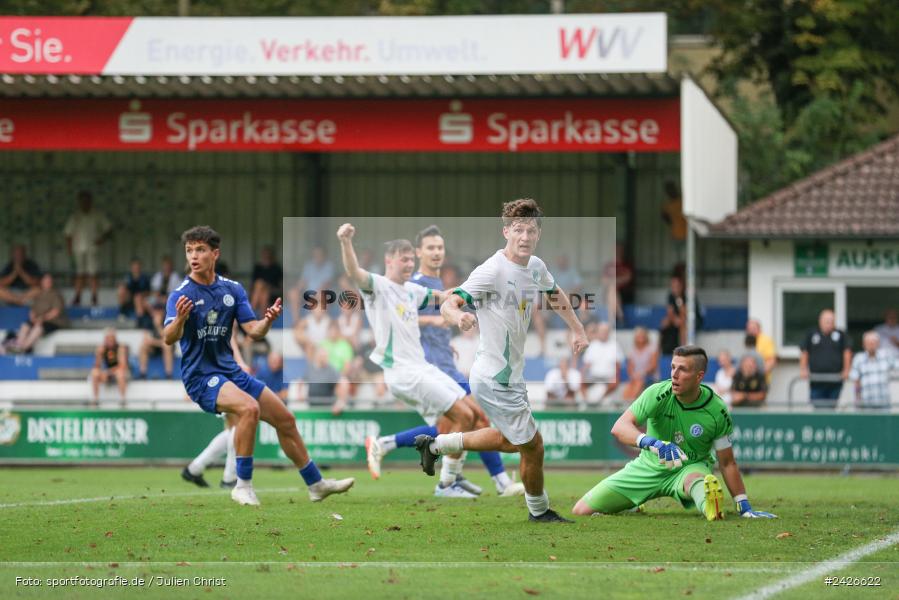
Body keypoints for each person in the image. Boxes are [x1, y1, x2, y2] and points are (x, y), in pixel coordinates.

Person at [164, 225, 353, 506]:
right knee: (248, 408)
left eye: (200, 249)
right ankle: (242, 485)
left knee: (286, 420)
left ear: (215, 254)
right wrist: (180, 319)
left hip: (231, 372)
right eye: (189, 250)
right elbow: (168, 337)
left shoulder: (232, 289)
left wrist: (267, 320)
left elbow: (253, 330)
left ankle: (316, 484)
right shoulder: (181, 294)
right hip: (201, 377)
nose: (193, 256)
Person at [427, 198, 590, 523]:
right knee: (533, 446)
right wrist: (459, 317)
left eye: (530, 230)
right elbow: (449, 303)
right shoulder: (493, 270)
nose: (524, 236)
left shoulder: (535, 266)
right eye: (518, 230)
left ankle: (437, 445)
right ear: (506, 232)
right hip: (494, 377)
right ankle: (539, 511)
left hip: (510, 375)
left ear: (538, 234)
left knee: (510, 441)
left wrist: (577, 328)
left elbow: (554, 293)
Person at [364, 225, 523, 497]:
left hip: (443, 361)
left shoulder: (435, 283)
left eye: (439, 247)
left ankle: (401, 451)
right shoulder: (413, 282)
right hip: (428, 365)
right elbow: (402, 318)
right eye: (430, 248)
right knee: (473, 417)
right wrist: (437, 321)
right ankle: (494, 482)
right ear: (418, 252)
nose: (436, 252)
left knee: (454, 424)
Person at [337, 222, 483, 499]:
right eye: (403, 259)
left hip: (422, 368)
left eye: (410, 260)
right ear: (389, 261)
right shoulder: (378, 286)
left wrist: (479, 289)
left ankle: (429, 463)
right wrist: (346, 242)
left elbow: (444, 296)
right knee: (464, 416)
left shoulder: (411, 291)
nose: (408, 264)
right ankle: (447, 484)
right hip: (403, 373)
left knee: (468, 417)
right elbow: (353, 271)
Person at [571, 346, 777, 521]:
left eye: (683, 369)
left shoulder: (718, 410)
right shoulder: (657, 393)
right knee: (581, 510)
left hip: (689, 467)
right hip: (648, 467)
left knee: (698, 481)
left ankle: (710, 506)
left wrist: (743, 505)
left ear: (699, 376)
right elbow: (620, 427)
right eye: (672, 367)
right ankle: (632, 502)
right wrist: (654, 443)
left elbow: (728, 462)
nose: (674, 375)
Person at [181, 329, 251, 490]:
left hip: (217, 369)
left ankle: (195, 469)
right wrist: (239, 361)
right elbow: (227, 335)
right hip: (218, 371)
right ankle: (229, 477)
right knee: (239, 423)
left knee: (234, 426)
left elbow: (227, 334)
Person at [64, 190, 112, 306]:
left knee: (93, 273)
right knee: (79, 274)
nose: (84, 203)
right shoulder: (75, 216)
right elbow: (68, 234)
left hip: (92, 249)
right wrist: (69, 249)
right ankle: (77, 297)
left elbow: (109, 229)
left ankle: (94, 297)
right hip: (78, 249)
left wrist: (101, 240)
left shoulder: (97, 214)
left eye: (87, 200)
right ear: (79, 202)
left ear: (90, 201)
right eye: (82, 201)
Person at [800, 309, 851, 410]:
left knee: (831, 407)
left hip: (835, 380)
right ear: (820, 321)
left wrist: (846, 370)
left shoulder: (841, 335)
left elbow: (847, 352)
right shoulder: (811, 334)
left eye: (831, 321)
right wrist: (803, 369)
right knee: (818, 407)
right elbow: (804, 352)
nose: (829, 323)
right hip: (816, 380)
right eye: (826, 321)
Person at [10, 274, 68, 354]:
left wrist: (42, 318)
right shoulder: (38, 294)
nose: (48, 282)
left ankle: (24, 348)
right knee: (25, 325)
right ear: (41, 282)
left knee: (38, 327)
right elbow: (33, 310)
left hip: (53, 322)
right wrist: (33, 317)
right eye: (46, 280)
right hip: (39, 320)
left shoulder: (56, 295)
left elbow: (55, 312)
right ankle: (18, 346)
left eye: (49, 281)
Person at [849, 331, 896, 410]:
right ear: (863, 344)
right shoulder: (858, 359)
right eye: (868, 343)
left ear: (878, 344)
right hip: (865, 404)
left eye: (873, 342)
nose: (871, 345)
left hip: (884, 403)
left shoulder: (886, 356)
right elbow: (856, 381)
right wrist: (857, 401)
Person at [288, 245, 335, 322]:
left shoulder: (329, 265)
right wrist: (297, 289)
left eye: (320, 254)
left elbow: (327, 283)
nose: (317, 257)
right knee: (293, 293)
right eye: (315, 255)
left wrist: (315, 293)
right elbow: (303, 281)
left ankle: (320, 323)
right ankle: (296, 322)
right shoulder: (309, 265)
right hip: (308, 293)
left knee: (321, 294)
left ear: (324, 255)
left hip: (323, 293)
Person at [301, 346, 352, 416]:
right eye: (322, 356)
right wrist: (300, 393)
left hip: (328, 409)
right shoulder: (310, 368)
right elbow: (302, 381)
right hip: (312, 407)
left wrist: (340, 403)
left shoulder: (331, 370)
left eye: (326, 356)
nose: (324, 358)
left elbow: (344, 382)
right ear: (316, 356)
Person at [581, 321, 623, 406]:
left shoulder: (614, 345)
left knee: (614, 383)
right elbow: (586, 365)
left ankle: (599, 401)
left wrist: (616, 377)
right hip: (594, 376)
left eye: (605, 331)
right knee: (580, 383)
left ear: (609, 332)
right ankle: (587, 402)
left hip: (609, 376)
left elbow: (618, 365)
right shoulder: (592, 345)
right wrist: (582, 376)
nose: (603, 333)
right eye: (601, 331)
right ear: (598, 332)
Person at [91, 328, 129, 408]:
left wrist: (108, 372)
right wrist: (99, 355)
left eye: (111, 338)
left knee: (120, 373)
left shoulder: (120, 348)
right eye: (108, 338)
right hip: (109, 373)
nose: (110, 340)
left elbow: (123, 366)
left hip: (121, 373)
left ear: (115, 338)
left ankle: (123, 400)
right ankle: (96, 400)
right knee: (94, 373)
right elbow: (97, 366)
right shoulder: (102, 348)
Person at [622, 327, 659, 402]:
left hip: (649, 377)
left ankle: (631, 402)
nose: (640, 337)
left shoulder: (652, 348)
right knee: (628, 386)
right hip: (636, 378)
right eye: (638, 336)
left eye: (642, 335)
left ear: (646, 336)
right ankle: (625, 402)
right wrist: (633, 375)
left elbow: (653, 366)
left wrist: (642, 374)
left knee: (639, 383)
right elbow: (630, 368)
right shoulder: (632, 351)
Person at [138, 303, 174, 379]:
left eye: (158, 311)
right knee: (143, 347)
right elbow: (146, 339)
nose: (156, 313)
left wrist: (158, 326)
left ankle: (169, 374)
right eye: (155, 311)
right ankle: (143, 373)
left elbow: (167, 338)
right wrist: (157, 342)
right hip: (155, 346)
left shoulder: (167, 320)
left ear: (162, 312)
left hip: (168, 344)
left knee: (166, 346)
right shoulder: (148, 321)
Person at [250, 246, 283, 316]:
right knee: (262, 291)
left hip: (272, 292)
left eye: (268, 255)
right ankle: (263, 319)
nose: (266, 256)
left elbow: (281, 287)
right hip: (260, 293)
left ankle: (250, 312)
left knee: (261, 285)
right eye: (265, 254)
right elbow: (253, 285)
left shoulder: (276, 268)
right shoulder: (258, 267)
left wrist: (269, 287)